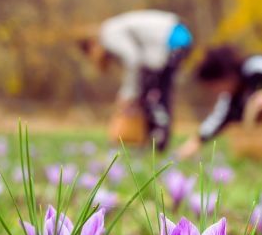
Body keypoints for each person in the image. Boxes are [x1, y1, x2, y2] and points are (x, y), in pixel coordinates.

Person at [78, 10, 192, 151]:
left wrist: (127, 94)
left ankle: (158, 144)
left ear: (92, 44)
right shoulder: (112, 30)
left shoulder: (108, 35)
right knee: (151, 93)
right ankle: (151, 142)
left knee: (156, 96)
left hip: (174, 38)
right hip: (174, 38)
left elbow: (133, 59)